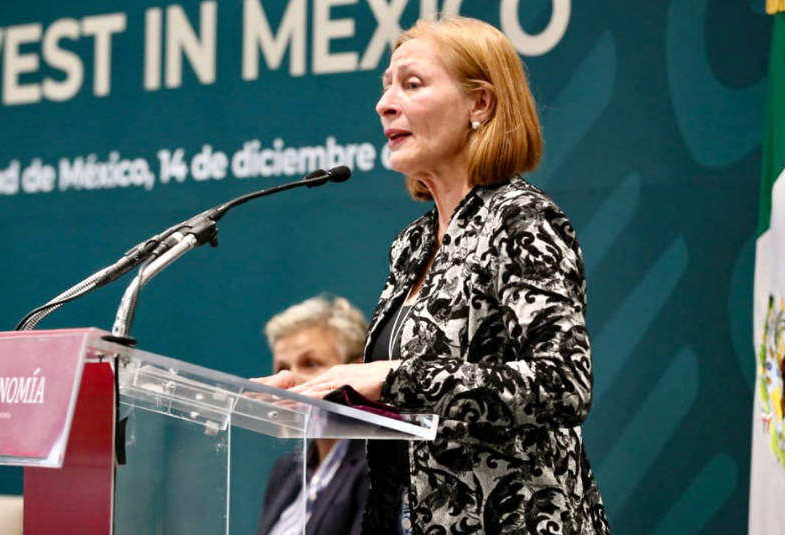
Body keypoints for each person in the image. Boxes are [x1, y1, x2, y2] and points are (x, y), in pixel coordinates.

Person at [263, 16, 611, 535]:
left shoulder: (521, 220)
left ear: (480, 104)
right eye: (386, 87)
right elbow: (414, 404)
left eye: (412, 84)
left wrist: (393, 377)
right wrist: (316, 389)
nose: (384, 104)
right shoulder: (413, 243)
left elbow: (562, 384)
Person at [256, 296, 370, 535]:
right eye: (282, 368)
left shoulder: (374, 467)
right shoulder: (286, 469)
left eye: (310, 364)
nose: (289, 380)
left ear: (356, 371)